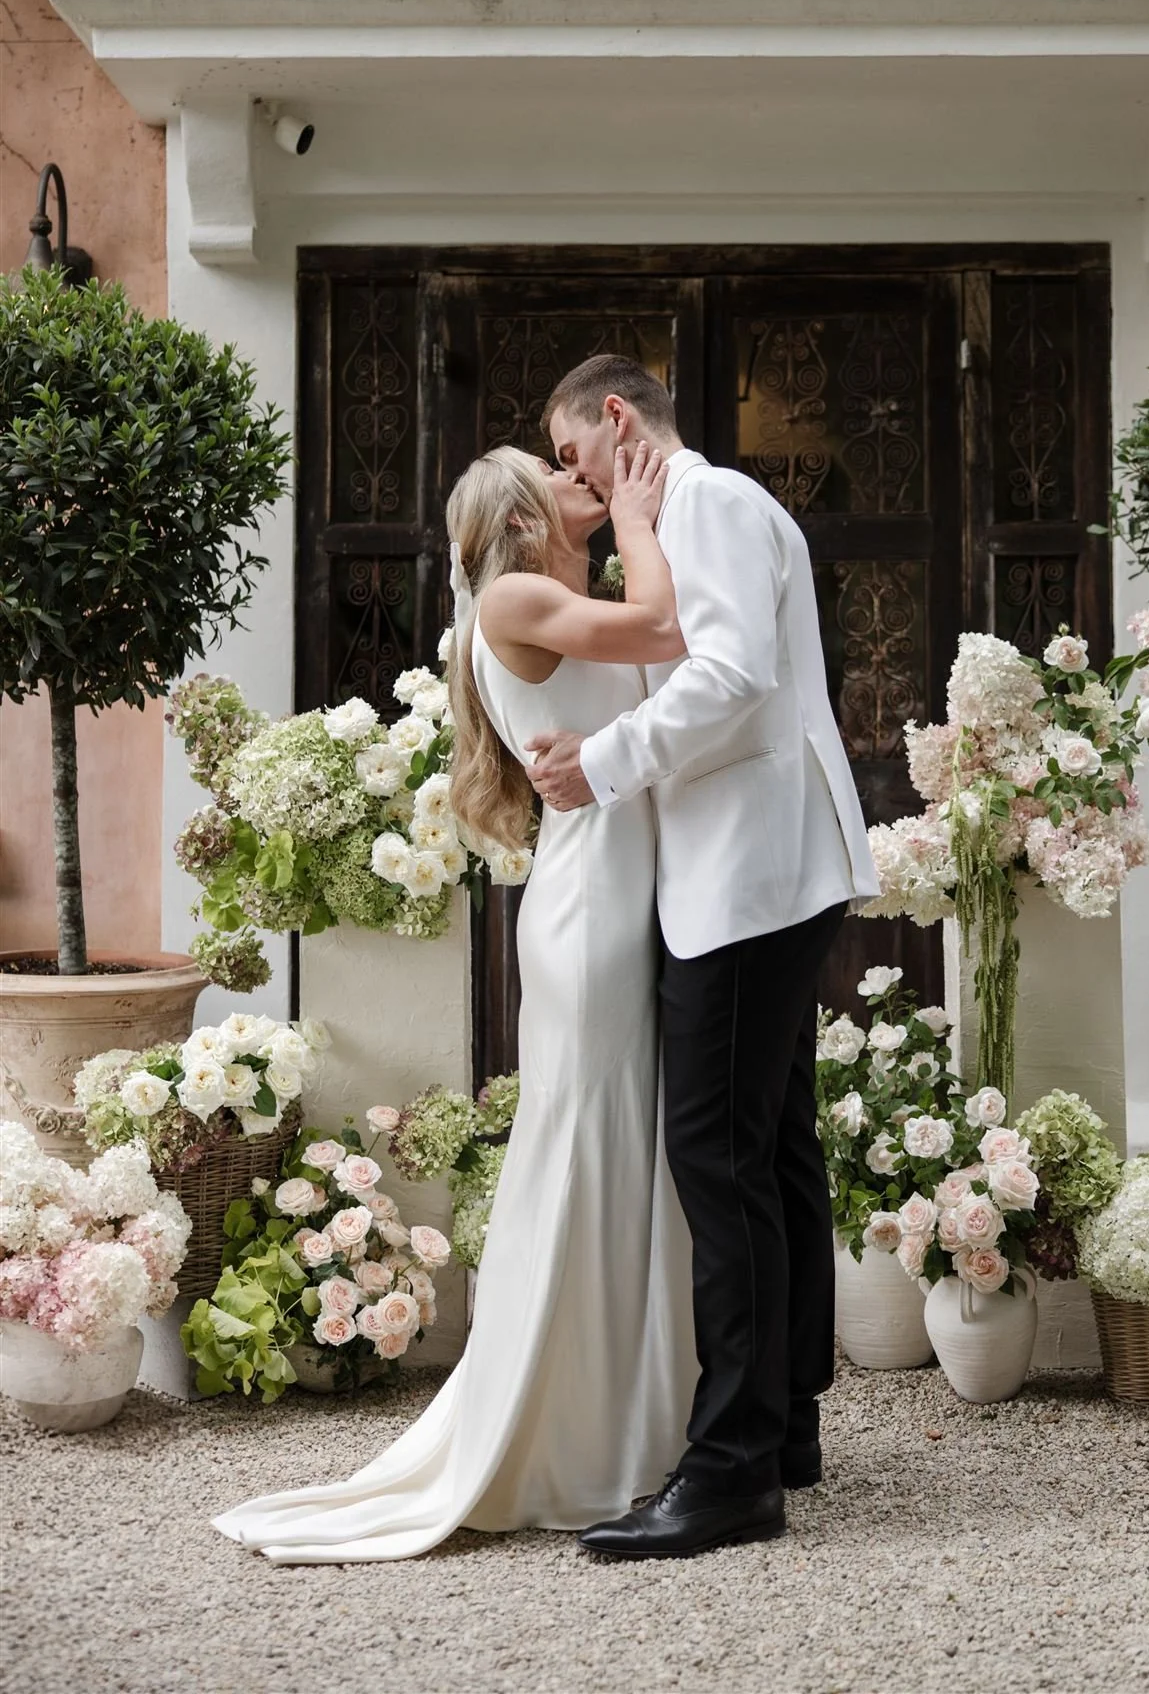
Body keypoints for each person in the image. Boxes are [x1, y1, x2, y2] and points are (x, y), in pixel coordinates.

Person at [211, 440, 699, 1562]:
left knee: (621, 1149)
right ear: (526, 512)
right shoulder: (519, 593)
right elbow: (665, 630)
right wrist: (637, 510)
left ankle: (630, 1416)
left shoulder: (548, 595)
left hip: (616, 893)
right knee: (591, 1146)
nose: (584, 474)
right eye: (560, 471)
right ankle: (583, 1436)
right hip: (594, 911)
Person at [534, 355, 880, 1560]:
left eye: (572, 451)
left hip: (750, 872)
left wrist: (607, 757)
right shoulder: (678, 516)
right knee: (774, 1148)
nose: (569, 476)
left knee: (717, 1157)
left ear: (614, 419)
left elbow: (734, 675)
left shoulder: (712, 501)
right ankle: (783, 1428)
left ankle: (731, 1468)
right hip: (756, 866)